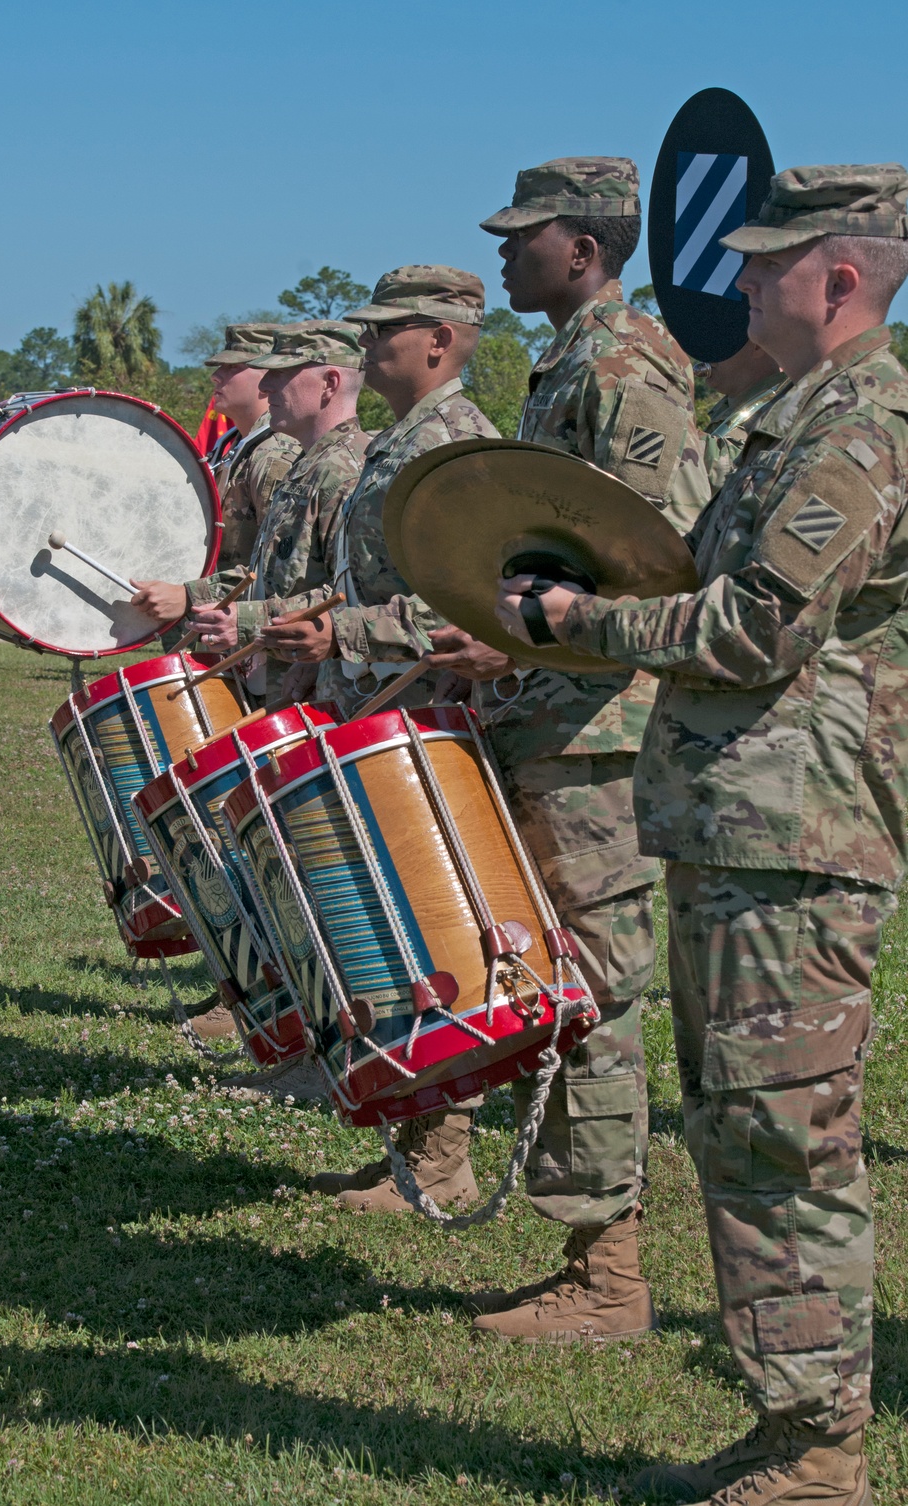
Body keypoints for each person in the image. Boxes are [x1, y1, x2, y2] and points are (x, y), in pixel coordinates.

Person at [495, 163, 908, 1506]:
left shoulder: (858, 427)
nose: (732, 283)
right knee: (743, 1135)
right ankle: (791, 1426)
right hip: (743, 834)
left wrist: (580, 621)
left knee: (786, 1142)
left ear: (839, 278)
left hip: (793, 841)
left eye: (762, 262)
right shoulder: (792, 418)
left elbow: (749, 628)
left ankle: (820, 1454)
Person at [426, 158, 711, 1343]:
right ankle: (592, 1256)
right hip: (553, 715)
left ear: (583, 248)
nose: (502, 254)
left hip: (595, 727)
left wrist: (525, 645)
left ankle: (609, 1278)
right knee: (560, 983)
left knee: (591, 993)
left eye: (523, 236)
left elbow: (659, 555)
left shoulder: (621, 364)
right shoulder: (566, 361)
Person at [230, 265, 499, 1211]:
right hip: (379, 707)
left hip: (424, 713)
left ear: (440, 339)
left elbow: (476, 603)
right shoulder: (407, 441)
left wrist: (344, 633)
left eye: (387, 329)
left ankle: (441, 1158)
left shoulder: (459, 442)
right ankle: (411, 1141)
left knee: (433, 931)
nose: (369, 345)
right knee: (393, 931)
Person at [185, 320, 370, 708]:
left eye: (282, 374)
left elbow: (353, 595)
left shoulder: (346, 470)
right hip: (292, 679)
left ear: (329, 384)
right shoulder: (309, 463)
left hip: (328, 695)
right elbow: (272, 577)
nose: (266, 387)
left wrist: (248, 621)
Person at [130, 323, 300, 630]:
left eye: (231, 366)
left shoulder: (276, 455)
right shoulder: (229, 447)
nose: (215, 376)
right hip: (217, 626)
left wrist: (188, 596)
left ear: (267, 374)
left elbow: (274, 569)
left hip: (252, 639)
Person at [701, 339, 785, 491]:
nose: (704, 352)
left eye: (717, 339)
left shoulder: (781, 407)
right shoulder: (728, 407)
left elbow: (733, 475)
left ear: (757, 345)